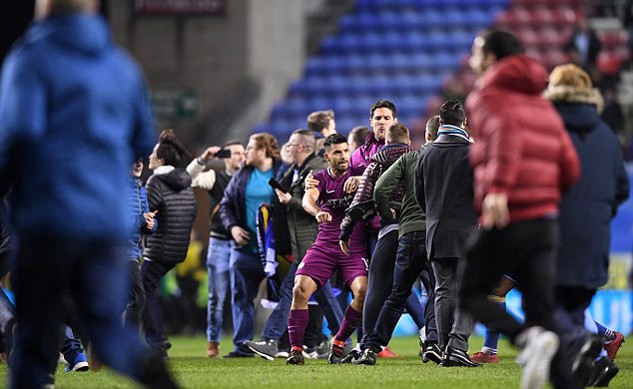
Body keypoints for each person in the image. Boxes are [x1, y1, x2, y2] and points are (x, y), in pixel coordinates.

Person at [0, 0, 178, 387]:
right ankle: (147, 366)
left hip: (49, 219)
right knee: (106, 328)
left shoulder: (32, 58)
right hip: (108, 223)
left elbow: (17, 138)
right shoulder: (121, 65)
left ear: (43, 7)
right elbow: (141, 138)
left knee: (32, 337)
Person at [459, 30, 580, 389]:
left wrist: (498, 188)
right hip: (546, 222)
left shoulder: (488, 95)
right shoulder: (543, 103)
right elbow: (570, 166)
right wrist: (547, 199)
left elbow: (503, 136)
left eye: (476, 52)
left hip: (509, 215)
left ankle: (523, 339)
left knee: (468, 292)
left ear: (493, 57)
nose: (471, 60)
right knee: (544, 314)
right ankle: (564, 379)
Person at [543, 63, 629, 387]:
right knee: (576, 307)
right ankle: (592, 366)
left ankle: (585, 346)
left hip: (553, 232)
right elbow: (622, 188)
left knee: (544, 304)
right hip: (595, 239)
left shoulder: (546, 128)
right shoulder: (607, 135)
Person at [244, 129, 346, 360]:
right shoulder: (296, 170)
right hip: (302, 243)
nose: (287, 148)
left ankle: (271, 340)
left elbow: (319, 207)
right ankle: (345, 341)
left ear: (301, 147)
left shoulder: (317, 169)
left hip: (312, 242)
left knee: (291, 290)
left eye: (290, 144)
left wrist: (291, 201)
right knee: (323, 295)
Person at [353, 121, 439, 366]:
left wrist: (386, 216)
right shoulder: (450, 158)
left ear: (426, 135)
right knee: (437, 291)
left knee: (397, 294)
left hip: (407, 232)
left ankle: (370, 347)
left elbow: (379, 189)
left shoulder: (410, 160)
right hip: (436, 234)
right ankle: (433, 342)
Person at [339, 122, 424, 361]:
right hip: (421, 231)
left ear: (386, 141)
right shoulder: (419, 159)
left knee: (377, 289)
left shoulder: (376, 161)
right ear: (408, 140)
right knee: (431, 287)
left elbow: (364, 197)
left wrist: (345, 230)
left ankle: (365, 344)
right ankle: (433, 338)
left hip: (387, 232)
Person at [286, 133, 368, 365]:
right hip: (324, 244)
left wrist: (362, 180)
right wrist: (316, 211)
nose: (343, 156)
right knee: (299, 289)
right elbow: (307, 200)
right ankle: (295, 350)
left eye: (345, 151)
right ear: (327, 156)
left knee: (362, 292)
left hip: (353, 247)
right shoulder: (319, 178)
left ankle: (339, 341)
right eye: (337, 153)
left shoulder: (360, 173)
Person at [414, 100, 480, 368]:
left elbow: (421, 197)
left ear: (440, 123)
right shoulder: (473, 153)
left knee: (442, 291)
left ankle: (444, 348)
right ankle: (458, 346)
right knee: (470, 291)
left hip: (436, 231)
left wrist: (434, 217)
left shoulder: (426, 154)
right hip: (467, 233)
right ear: (464, 122)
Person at [220, 132, 284, 357]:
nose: (245, 152)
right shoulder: (241, 175)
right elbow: (225, 205)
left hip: (277, 252)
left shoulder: (282, 171)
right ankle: (242, 347)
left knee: (284, 296)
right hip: (245, 249)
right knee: (241, 298)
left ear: (264, 150)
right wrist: (233, 228)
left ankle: (281, 345)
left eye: (250, 148)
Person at [142, 129, 197, 359]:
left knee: (141, 291)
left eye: (153, 154)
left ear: (161, 159)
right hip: (178, 248)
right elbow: (192, 209)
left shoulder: (156, 180)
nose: (149, 158)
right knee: (148, 289)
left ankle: (156, 341)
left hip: (159, 246)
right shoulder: (185, 180)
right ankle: (157, 338)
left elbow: (147, 212)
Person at [187, 141, 245, 357]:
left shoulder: (251, 177)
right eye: (235, 153)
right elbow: (189, 179)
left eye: (243, 152)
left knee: (243, 297)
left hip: (244, 243)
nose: (240, 156)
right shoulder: (216, 176)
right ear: (225, 156)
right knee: (216, 297)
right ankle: (213, 341)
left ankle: (243, 342)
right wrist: (203, 160)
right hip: (220, 241)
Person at [124, 158, 157, 331]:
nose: (138, 164)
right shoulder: (118, 188)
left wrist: (152, 224)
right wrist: (140, 220)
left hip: (135, 253)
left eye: (141, 161)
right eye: (134, 160)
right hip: (121, 252)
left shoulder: (141, 190)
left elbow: (147, 218)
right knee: (138, 298)